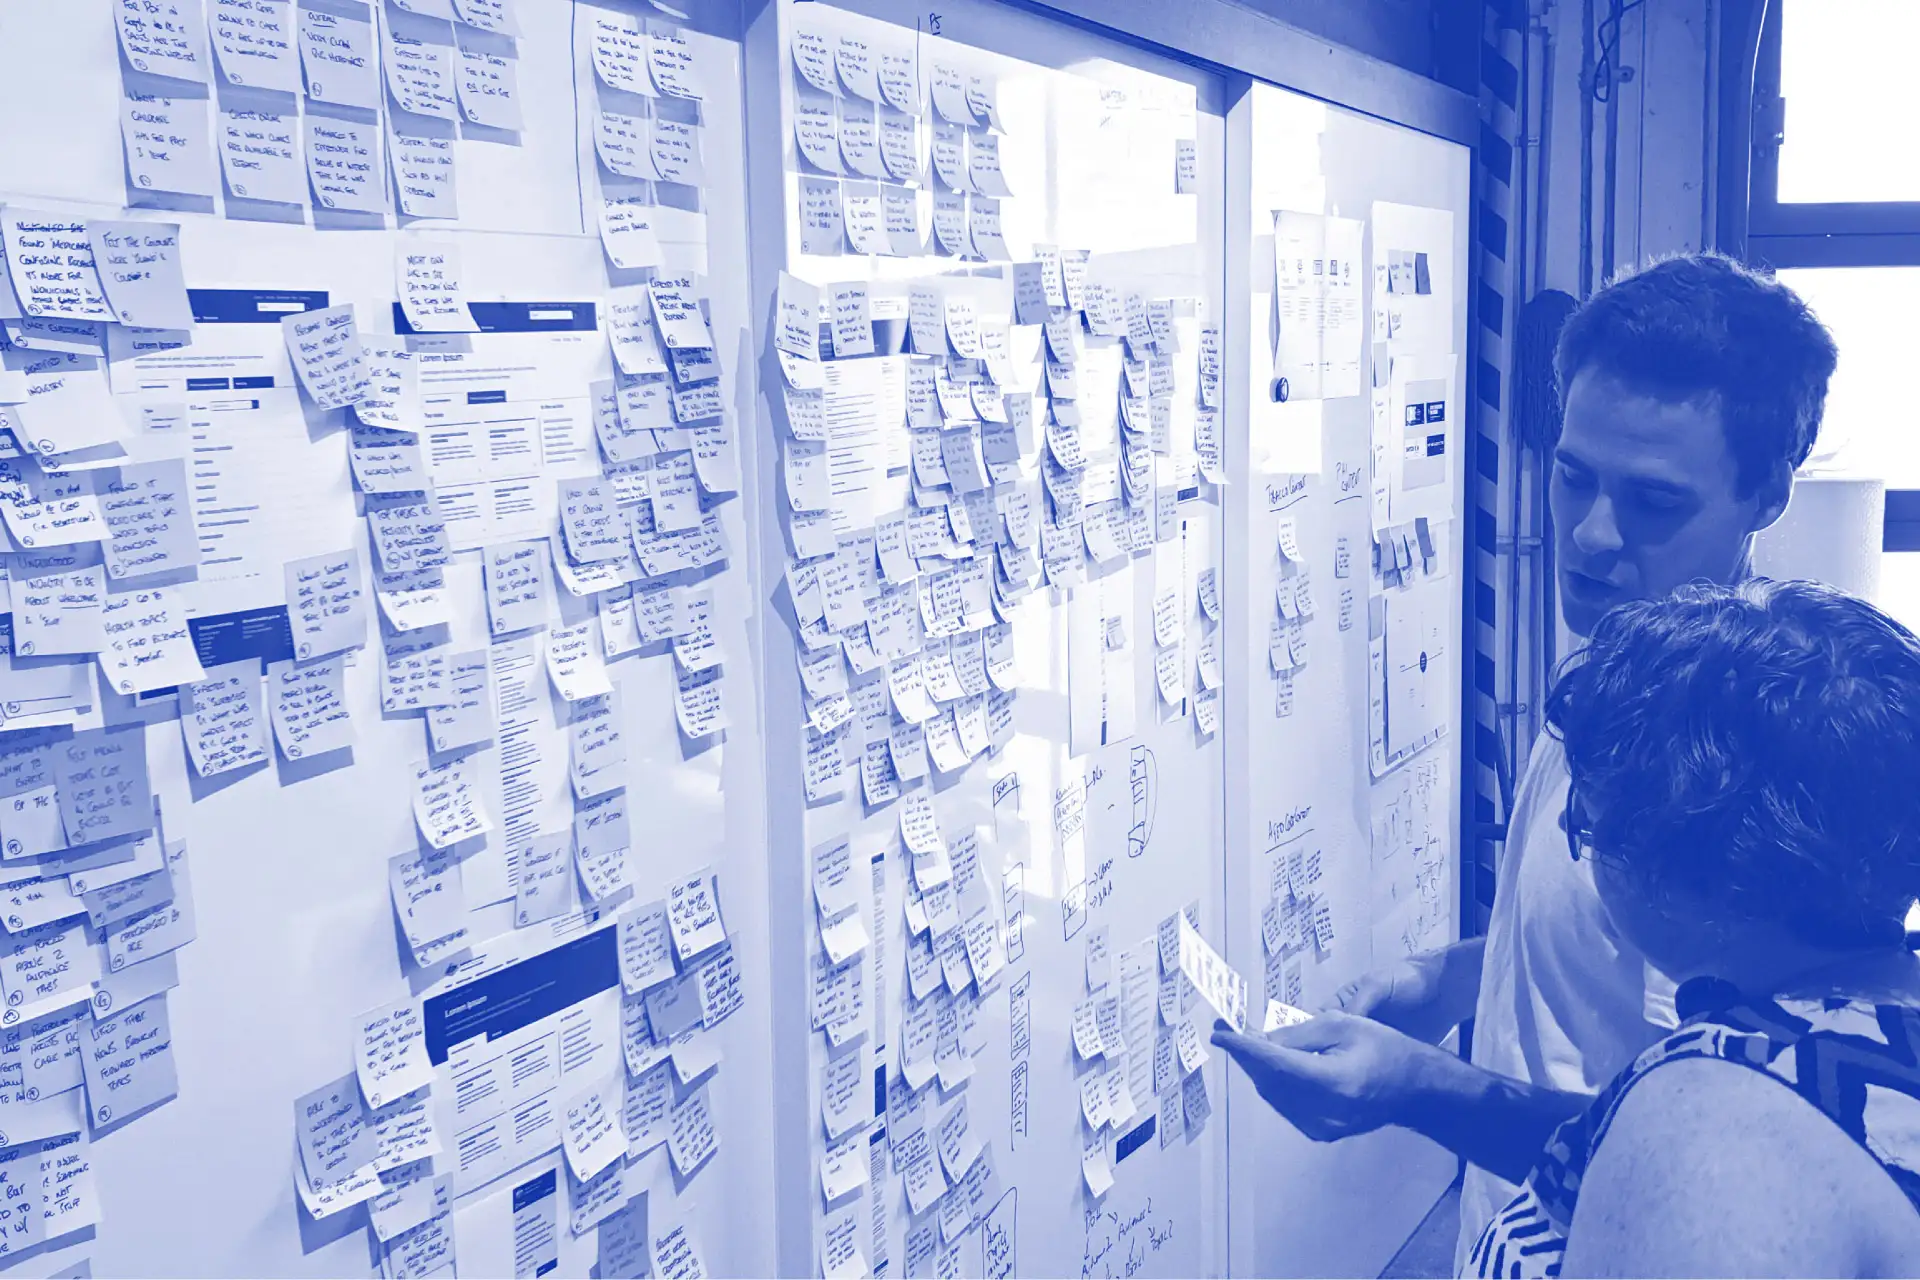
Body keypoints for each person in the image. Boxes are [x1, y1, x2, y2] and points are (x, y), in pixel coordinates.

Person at [1210, 252, 1841, 1268]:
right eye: (1573, 476)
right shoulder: (1617, 660)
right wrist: (1454, 977)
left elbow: (1679, 1138)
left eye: (1652, 502)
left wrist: (1415, 1086)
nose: (1590, 535)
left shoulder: (1736, 780)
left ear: (1766, 493)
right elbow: (1594, 948)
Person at [1471, 579, 1920, 1275]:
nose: (1574, 837)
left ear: (1683, 867)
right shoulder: (1889, 1023)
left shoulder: (1716, 1129)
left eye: (1585, 825)